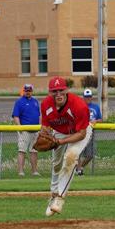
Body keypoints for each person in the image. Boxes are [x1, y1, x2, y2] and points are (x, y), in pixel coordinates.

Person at [40, 76, 92, 217]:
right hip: (60, 132)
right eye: (54, 91)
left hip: (80, 131)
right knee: (56, 164)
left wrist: (60, 142)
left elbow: (81, 134)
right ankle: (53, 194)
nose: (58, 94)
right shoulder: (45, 104)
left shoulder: (79, 105)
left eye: (61, 90)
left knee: (70, 158)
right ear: (50, 92)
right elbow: (45, 125)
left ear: (66, 90)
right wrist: (45, 133)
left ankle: (59, 198)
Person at [12, 84, 41, 177]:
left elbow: (39, 115)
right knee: (22, 150)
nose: (28, 92)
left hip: (35, 130)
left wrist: (40, 127)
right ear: (24, 91)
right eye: (26, 90)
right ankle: (21, 171)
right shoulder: (19, 102)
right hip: (24, 130)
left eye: (30, 90)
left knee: (34, 151)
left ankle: (34, 171)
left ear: (32, 91)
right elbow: (16, 116)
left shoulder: (35, 101)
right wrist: (19, 127)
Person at [76, 88, 102, 176]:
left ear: (91, 97)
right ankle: (79, 170)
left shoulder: (96, 107)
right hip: (81, 133)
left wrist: (96, 121)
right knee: (78, 153)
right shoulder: (79, 106)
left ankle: (81, 167)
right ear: (83, 97)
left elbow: (100, 119)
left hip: (91, 134)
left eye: (89, 97)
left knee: (90, 154)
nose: (88, 98)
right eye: (86, 97)